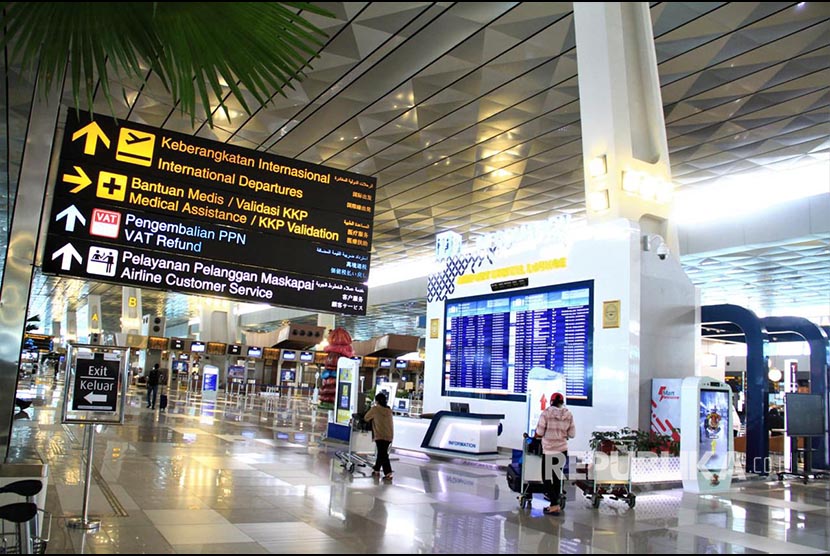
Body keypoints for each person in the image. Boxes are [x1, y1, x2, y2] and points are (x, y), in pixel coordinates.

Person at [534, 392, 574, 516]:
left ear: (551, 401)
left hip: (549, 450)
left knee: (546, 478)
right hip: (562, 450)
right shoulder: (569, 414)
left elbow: (539, 432)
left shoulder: (546, 413)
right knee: (557, 478)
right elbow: (572, 434)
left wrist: (538, 436)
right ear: (562, 402)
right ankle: (554, 504)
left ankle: (554, 504)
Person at [364, 391, 394, 480]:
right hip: (389, 435)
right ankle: (376, 470)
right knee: (382, 453)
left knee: (383, 454)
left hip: (380, 434)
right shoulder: (389, 410)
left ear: (377, 401)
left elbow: (366, 418)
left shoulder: (375, 409)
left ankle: (388, 473)